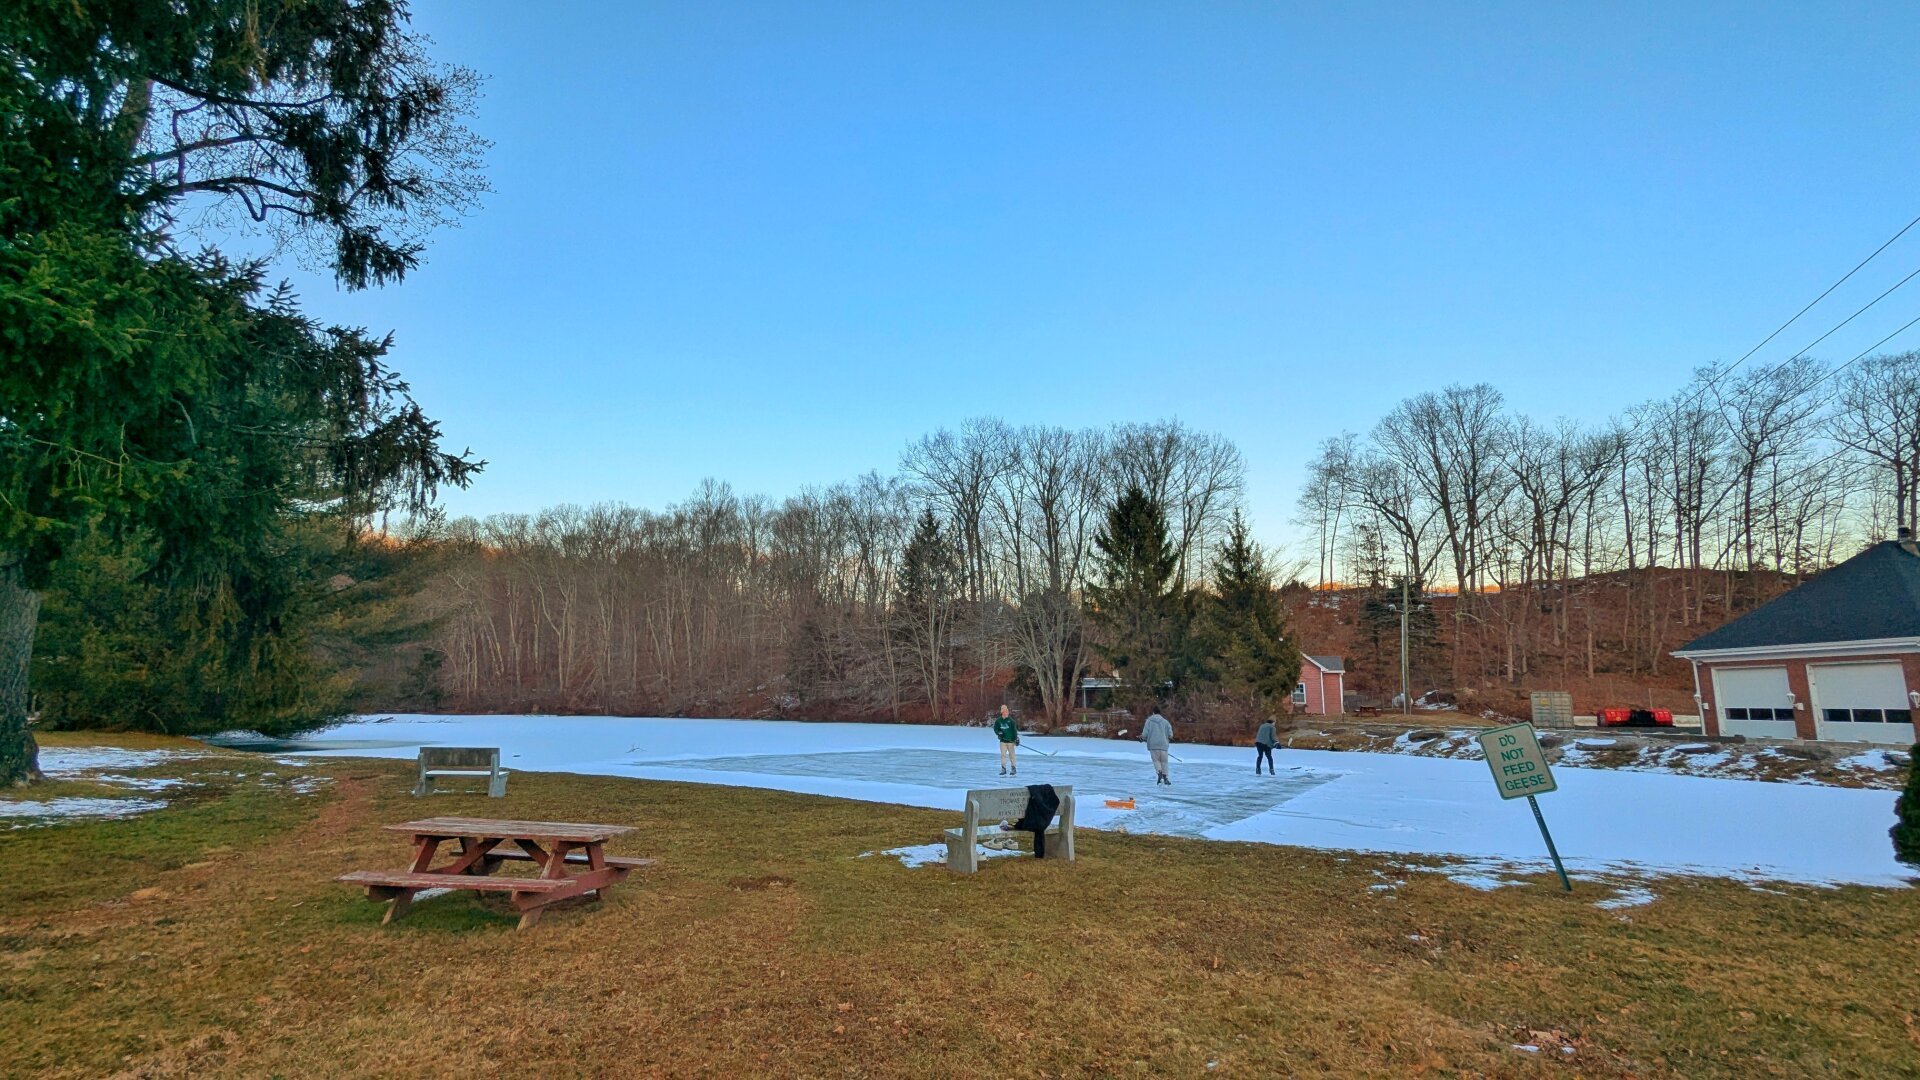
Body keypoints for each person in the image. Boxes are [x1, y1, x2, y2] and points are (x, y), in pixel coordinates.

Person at [1141, 708, 1174, 785]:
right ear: (1160, 713)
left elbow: (1145, 734)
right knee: (1164, 762)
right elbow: (1170, 735)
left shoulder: (1148, 721)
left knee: (1156, 761)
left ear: (1153, 713)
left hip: (1153, 745)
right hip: (1164, 745)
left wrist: (1141, 738)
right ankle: (1165, 778)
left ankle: (1159, 774)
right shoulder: (1166, 722)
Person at [992, 704, 1020, 776]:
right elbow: (996, 729)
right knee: (1003, 755)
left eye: (1007, 711)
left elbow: (1014, 731)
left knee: (1012, 755)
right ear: (1002, 712)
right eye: (1004, 712)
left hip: (1011, 741)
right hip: (1003, 741)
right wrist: (999, 733)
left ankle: (1013, 768)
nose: (1006, 713)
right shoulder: (998, 721)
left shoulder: (1011, 721)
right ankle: (1003, 768)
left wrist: (1016, 738)